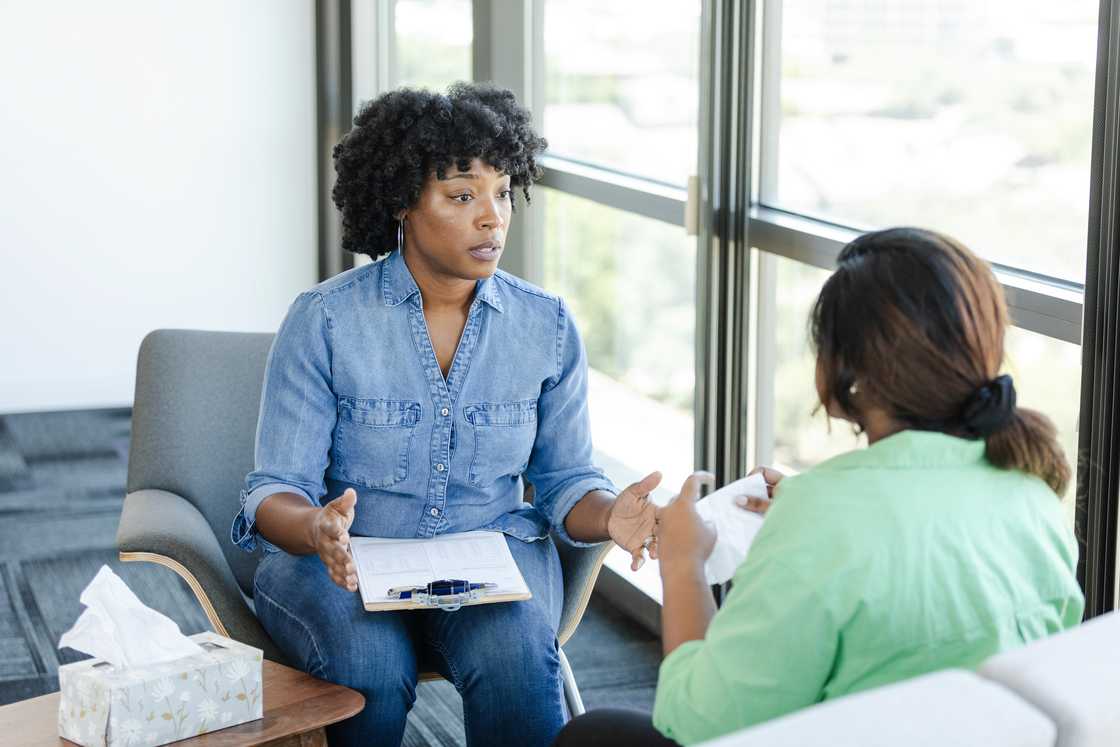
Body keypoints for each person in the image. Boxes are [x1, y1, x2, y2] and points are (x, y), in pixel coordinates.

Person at [230, 82, 661, 747]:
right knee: (370, 670)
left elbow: (566, 478)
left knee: (517, 659)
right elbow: (272, 489)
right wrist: (316, 527)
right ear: (401, 201)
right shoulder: (324, 321)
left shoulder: (545, 327)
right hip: (342, 564)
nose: (492, 218)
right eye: (463, 196)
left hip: (485, 555)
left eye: (501, 191)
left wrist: (610, 513)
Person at [554, 227, 1085, 746]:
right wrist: (813, 517)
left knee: (591, 735)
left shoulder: (822, 516)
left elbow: (699, 725)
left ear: (841, 374)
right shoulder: (1031, 494)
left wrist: (682, 565)